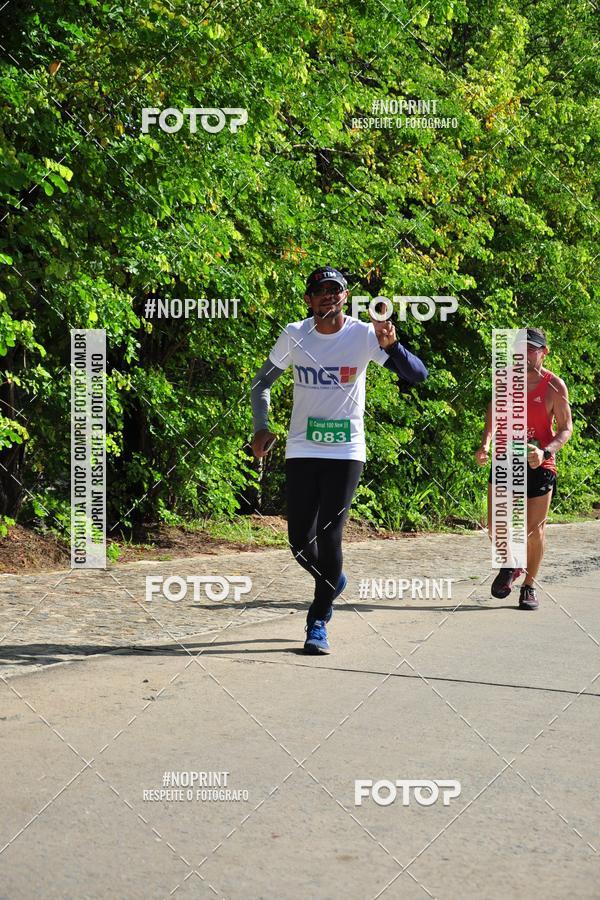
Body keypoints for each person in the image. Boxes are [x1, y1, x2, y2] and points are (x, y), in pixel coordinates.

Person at [250, 266, 428, 653]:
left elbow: (418, 376)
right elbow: (261, 383)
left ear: (345, 297)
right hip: (302, 448)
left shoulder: (363, 335)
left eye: (336, 291)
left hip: (346, 451)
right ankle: (333, 580)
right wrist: (261, 426)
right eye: (321, 291)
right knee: (299, 543)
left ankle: (317, 619)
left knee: (330, 537)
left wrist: (392, 345)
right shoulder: (295, 335)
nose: (329, 296)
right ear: (309, 300)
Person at [475, 327, 573, 609]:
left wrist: (545, 452)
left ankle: (528, 586)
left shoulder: (555, 386)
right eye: (519, 349)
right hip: (506, 458)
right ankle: (511, 564)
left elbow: (566, 428)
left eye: (531, 349)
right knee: (496, 524)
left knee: (533, 530)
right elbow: (492, 415)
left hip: (538, 462)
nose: (524, 355)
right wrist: (485, 445)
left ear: (544, 352)